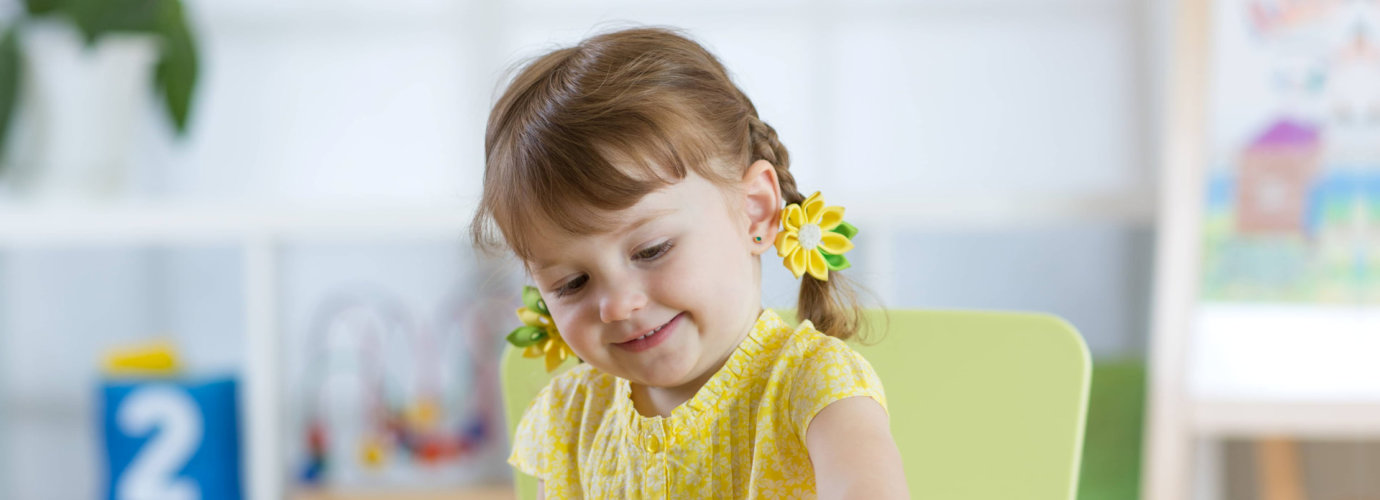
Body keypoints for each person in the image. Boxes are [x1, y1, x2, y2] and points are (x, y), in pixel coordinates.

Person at [471, 26, 908, 498]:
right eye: (572, 283)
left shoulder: (812, 385)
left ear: (755, 210)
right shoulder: (570, 417)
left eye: (651, 250)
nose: (617, 305)